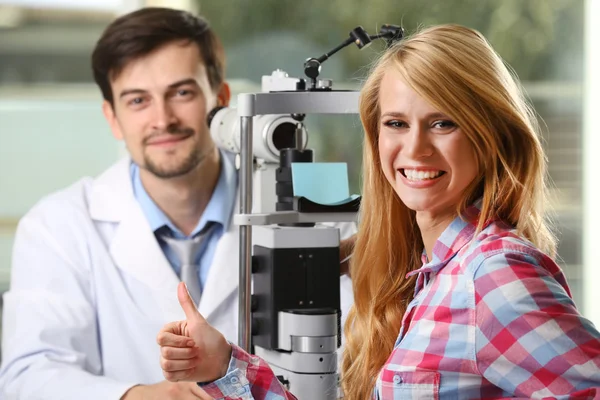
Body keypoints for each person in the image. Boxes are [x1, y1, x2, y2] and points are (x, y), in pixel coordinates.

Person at [156, 24, 600, 399]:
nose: (415, 149)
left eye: (444, 122)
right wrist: (223, 366)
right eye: (396, 124)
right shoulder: (429, 276)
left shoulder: (491, 274)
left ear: (490, 135)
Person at [0, 7, 356, 400]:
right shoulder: (58, 226)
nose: (163, 119)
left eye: (182, 92)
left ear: (220, 99)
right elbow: (29, 376)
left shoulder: (313, 215)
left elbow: (360, 352)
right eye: (137, 101)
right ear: (113, 118)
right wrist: (140, 396)